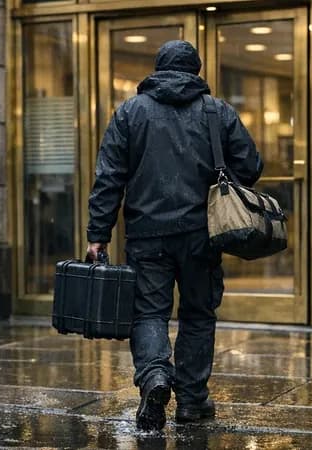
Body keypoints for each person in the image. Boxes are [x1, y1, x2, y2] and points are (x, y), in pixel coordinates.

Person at [86, 40, 262, 431]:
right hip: (202, 234)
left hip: (146, 235)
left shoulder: (131, 112)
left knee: (148, 311)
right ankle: (193, 401)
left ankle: (154, 377)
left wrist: (97, 234)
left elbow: (108, 179)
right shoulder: (217, 112)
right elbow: (251, 166)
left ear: (159, 67)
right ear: (195, 70)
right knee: (198, 314)